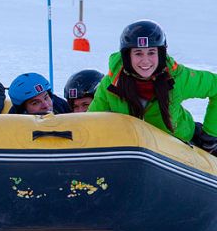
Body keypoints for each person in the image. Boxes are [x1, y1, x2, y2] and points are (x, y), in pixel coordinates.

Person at [88, 20, 217, 155]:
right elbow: (91, 122)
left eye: (151, 52)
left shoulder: (177, 77)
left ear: (160, 54)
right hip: (131, 150)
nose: (145, 60)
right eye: (138, 53)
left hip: (183, 147)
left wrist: (211, 134)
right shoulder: (111, 84)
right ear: (128, 56)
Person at [0, 70, 70, 115]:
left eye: (46, 97)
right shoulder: (11, 125)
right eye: (35, 102)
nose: (46, 105)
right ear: (23, 110)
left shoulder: (61, 107)